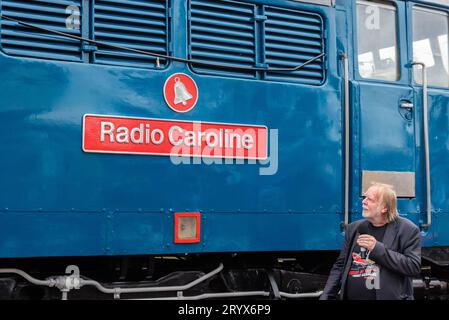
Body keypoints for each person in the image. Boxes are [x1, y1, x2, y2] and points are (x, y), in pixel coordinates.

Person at [320, 182, 421, 300]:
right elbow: (340, 266)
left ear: (384, 208)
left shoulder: (407, 229)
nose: (363, 201)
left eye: (370, 199)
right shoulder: (354, 228)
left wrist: (377, 249)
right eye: (364, 197)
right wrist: (326, 296)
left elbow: (413, 266)